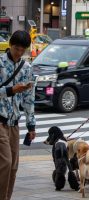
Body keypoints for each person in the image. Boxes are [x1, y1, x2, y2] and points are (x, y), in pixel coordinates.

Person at [0, 30, 36, 200]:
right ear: (10, 45)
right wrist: (11, 90)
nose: (19, 53)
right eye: (16, 48)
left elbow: (29, 99)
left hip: (14, 122)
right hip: (0, 120)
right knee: (5, 163)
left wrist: (31, 125)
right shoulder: (0, 63)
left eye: (23, 50)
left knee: (13, 165)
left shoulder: (27, 68)